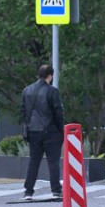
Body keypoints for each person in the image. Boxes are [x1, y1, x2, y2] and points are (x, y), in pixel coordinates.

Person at [20, 64, 65, 200]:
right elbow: (58, 112)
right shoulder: (52, 91)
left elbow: (23, 110)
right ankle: (56, 190)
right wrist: (60, 129)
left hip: (32, 130)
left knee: (33, 162)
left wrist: (28, 125)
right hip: (50, 131)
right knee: (53, 162)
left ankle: (28, 191)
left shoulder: (27, 90)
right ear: (50, 76)